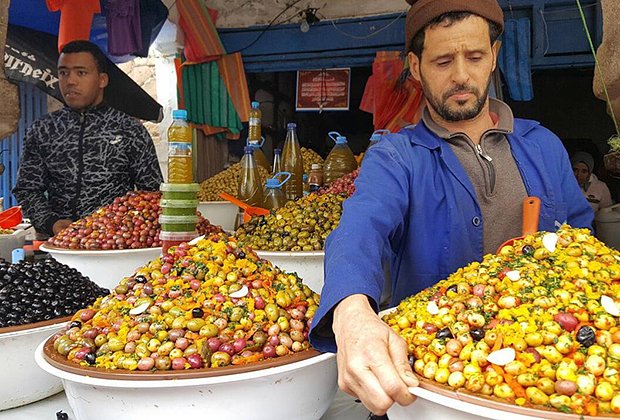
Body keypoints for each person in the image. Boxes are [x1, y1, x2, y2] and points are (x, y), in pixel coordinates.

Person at [308, 0, 593, 416]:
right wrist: (352, 310)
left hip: (546, 377)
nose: (461, 76)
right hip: (433, 389)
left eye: (475, 57)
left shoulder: (544, 146)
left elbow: (583, 245)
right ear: (416, 66)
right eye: (442, 61)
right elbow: (359, 229)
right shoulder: (397, 156)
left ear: (494, 56)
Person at [13, 40, 162, 237]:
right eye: (64, 72)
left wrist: (129, 230)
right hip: (60, 246)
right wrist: (51, 223)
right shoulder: (43, 130)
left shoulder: (129, 130)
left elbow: (153, 194)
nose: (70, 81)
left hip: (115, 245)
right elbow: (27, 189)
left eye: (81, 72)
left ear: (102, 80)